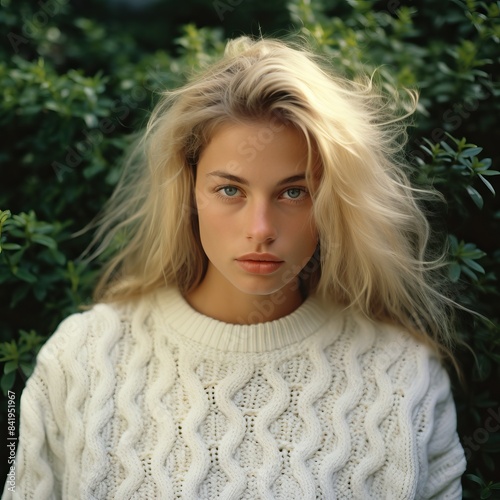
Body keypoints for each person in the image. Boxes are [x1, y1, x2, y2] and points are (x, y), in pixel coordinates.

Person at [3, 36, 466, 499]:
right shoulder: (82, 358)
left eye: (293, 192)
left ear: (334, 202)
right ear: (188, 191)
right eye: (230, 190)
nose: (260, 229)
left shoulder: (405, 379)